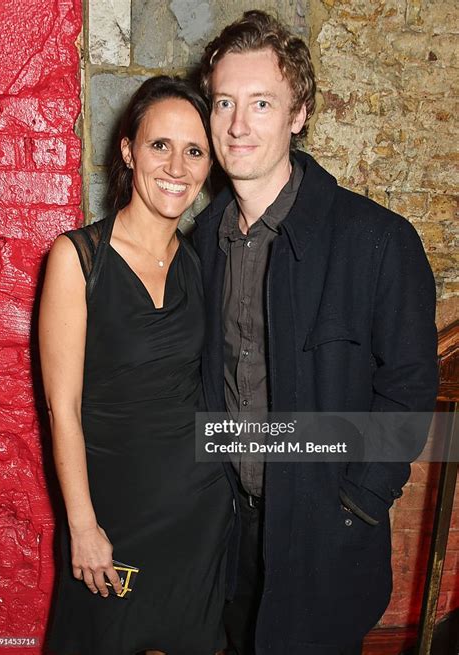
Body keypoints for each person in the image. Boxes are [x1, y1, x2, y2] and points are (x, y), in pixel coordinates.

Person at [193, 10, 438, 655]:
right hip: (230, 537)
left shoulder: (378, 241)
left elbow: (411, 389)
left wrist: (356, 501)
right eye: (224, 103)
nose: (238, 125)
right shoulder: (199, 245)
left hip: (327, 534)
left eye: (262, 103)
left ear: (299, 114)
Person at [39, 76, 234, 655]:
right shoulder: (77, 259)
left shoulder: (206, 262)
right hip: (113, 515)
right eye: (159, 145)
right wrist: (82, 525)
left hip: (199, 511)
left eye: (195, 150)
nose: (177, 166)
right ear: (128, 150)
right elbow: (62, 409)